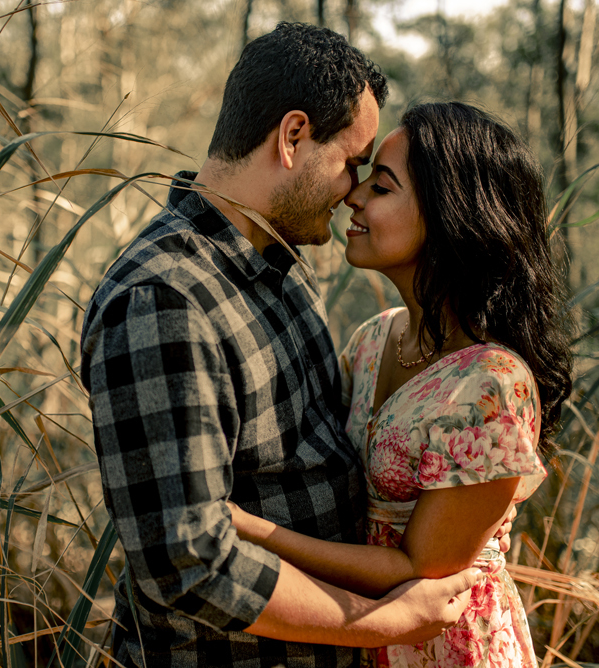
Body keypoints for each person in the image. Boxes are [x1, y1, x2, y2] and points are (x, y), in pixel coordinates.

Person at [80, 23, 503, 668]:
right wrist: (376, 623)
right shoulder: (165, 301)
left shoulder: (279, 265)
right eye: (351, 163)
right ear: (293, 136)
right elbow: (188, 561)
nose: (352, 191)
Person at [229, 102, 574, 667]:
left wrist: (252, 532)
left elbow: (422, 568)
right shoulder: (373, 341)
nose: (354, 198)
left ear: (449, 217)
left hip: (449, 643)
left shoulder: (492, 387)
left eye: (382, 188)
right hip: (366, 635)